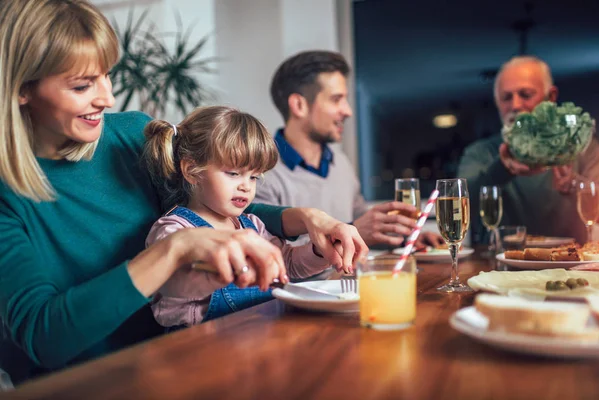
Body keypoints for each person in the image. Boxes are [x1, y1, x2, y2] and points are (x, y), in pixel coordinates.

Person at [0, 0, 367, 384]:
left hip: (181, 366)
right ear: (22, 88)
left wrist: (306, 218)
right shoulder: (8, 192)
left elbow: (213, 200)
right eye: (81, 85)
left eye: (107, 75)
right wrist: (174, 249)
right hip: (88, 386)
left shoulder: (129, 135)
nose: (107, 98)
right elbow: (45, 337)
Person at [143, 106, 342, 327]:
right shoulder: (173, 230)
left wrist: (320, 251)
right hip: (205, 350)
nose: (246, 187)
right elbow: (170, 299)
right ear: (191, 171)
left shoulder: (251, 225)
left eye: (254, 177)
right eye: (234, 174)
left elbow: (287, 265)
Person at [255, 50, 443, 248]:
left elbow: (363, 224)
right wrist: (353, 230)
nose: (348, 111)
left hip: (352, 279)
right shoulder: (259, 172)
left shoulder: (340, 162)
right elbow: (273, 260)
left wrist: (405, 238)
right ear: (299, 105)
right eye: (336, 99)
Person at [458, 56, 599, 244]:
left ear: (551, 97)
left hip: (568, 264)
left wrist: (574, 184)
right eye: (506, 97)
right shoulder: (481, 152)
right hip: (496, 266)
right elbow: (458, 208)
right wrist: (502, 169)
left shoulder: (583, 147)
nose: (515, 106)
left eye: (526, 94)